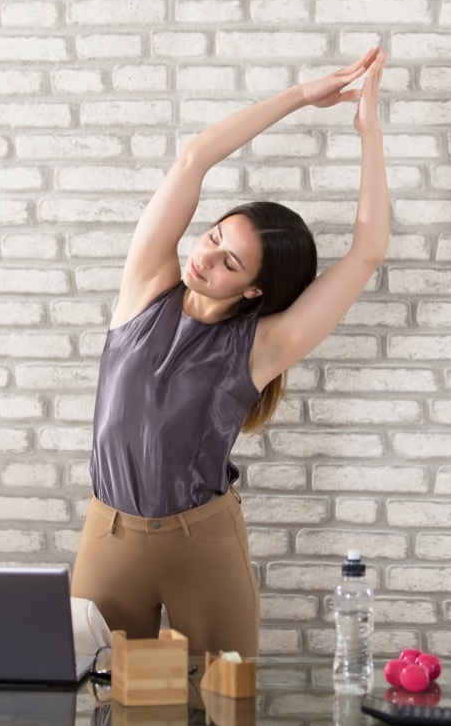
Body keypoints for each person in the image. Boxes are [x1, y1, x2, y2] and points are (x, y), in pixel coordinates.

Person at [71, 47, 389, 658]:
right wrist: (301, 95)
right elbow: (195, 157)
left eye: (229, 261)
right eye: (214, 236)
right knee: (99, 716)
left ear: (255, 289)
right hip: (108, 534)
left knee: (222, 715)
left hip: (204, 544)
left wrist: (368, 129)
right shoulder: (144, 289)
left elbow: (367, 252)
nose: (205, 257)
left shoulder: (263, 346)